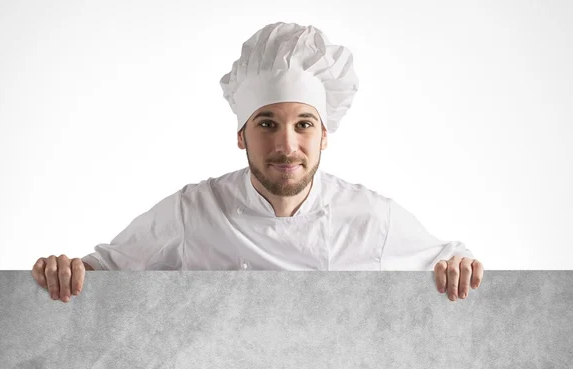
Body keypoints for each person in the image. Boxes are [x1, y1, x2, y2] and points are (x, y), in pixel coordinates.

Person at [32, 22, 484, 303]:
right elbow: (102, 272)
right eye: (267, 124)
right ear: (240, 135)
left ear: (325, 135)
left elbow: (451, 261)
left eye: (303, 124)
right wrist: (65, 270)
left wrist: (460, 265)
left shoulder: (370, 216)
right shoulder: (193, 211)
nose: (287, 145)